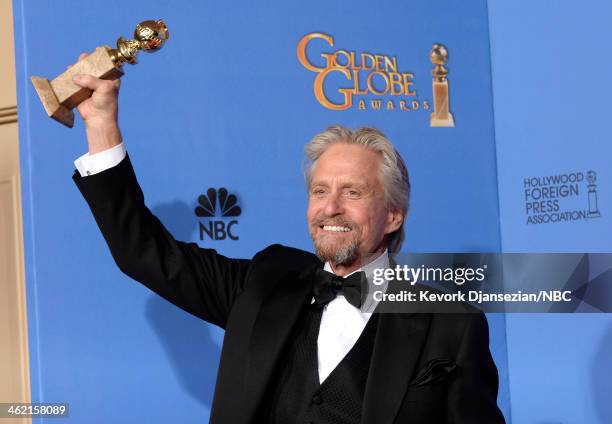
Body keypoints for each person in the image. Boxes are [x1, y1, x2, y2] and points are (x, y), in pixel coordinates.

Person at [71, 51, 505, 424]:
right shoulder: (264, 283)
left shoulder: (451, 324)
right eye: (320, 191)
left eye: (352, 192)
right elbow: (143, 252)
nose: (330, 207)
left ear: (393, 214)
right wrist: (101, 122)